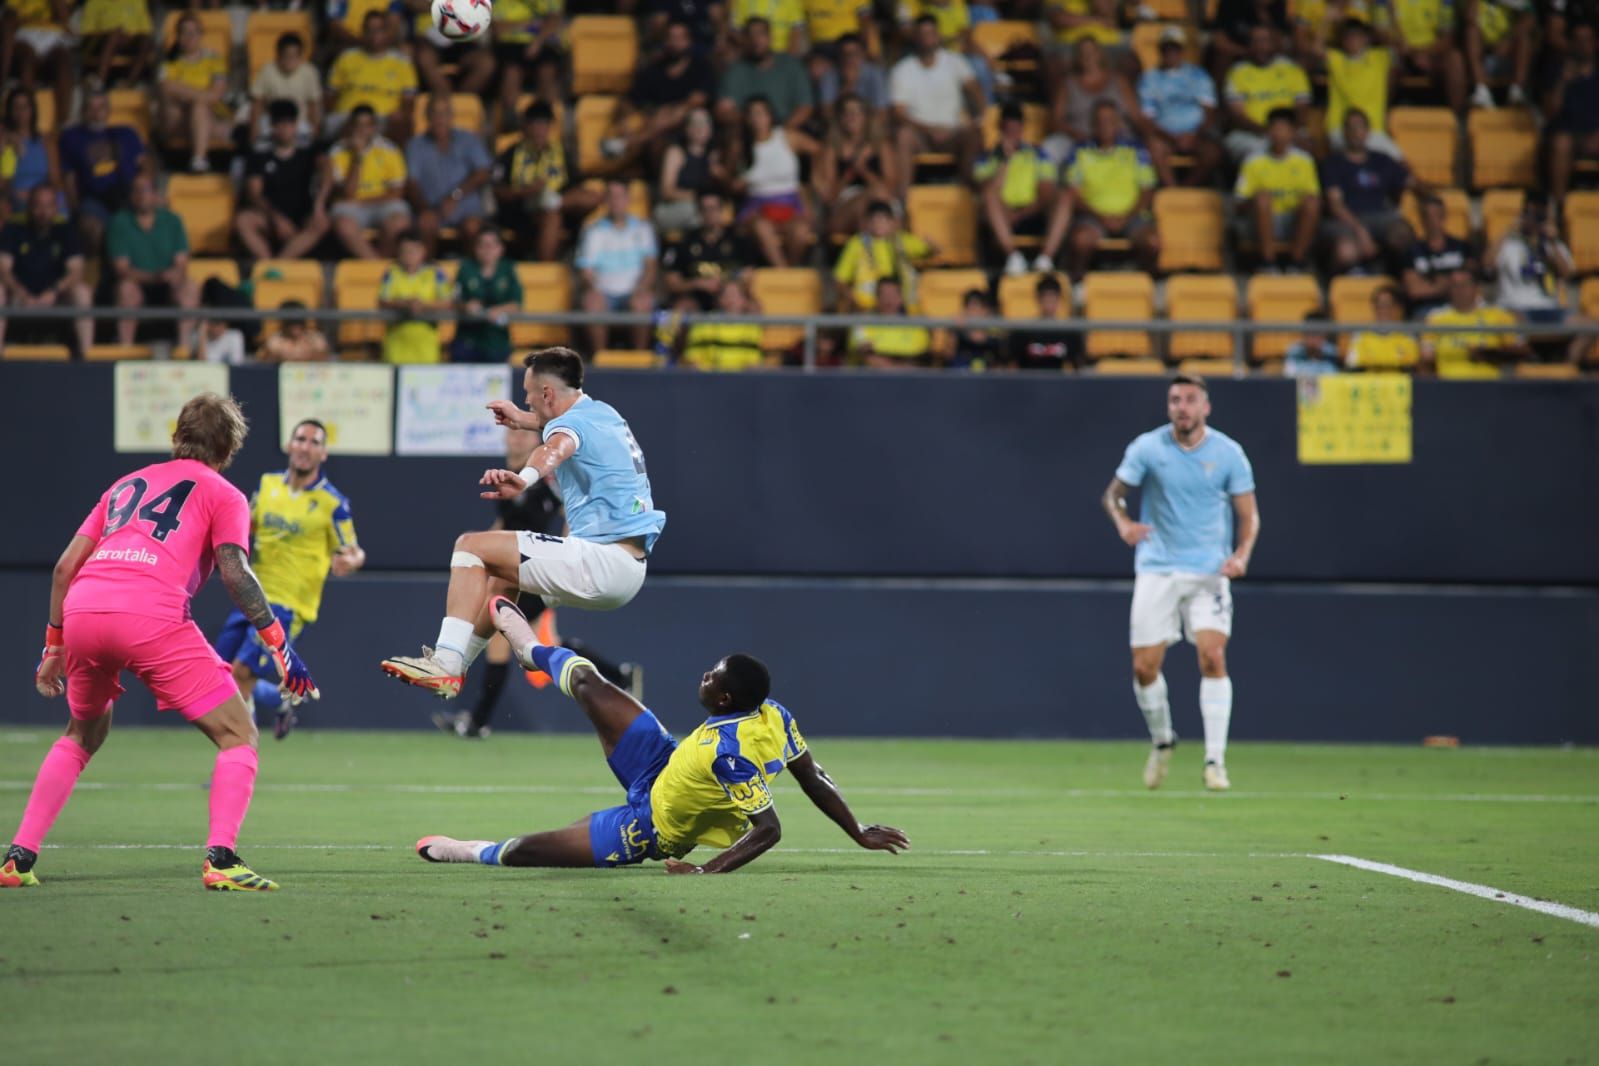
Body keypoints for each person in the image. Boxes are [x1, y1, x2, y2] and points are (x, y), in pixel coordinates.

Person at [3, 393, 317, 891]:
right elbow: (235, 572)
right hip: (151, 615)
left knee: (80, 737)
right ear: (229, 447)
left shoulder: (125, 484)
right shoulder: (225, 493)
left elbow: (65, 567)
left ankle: (17, 860)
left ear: (177, 436)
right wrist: (277, 640)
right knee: (238, 735)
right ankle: (222, 859)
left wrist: (54, 648)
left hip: (83, 610)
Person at [415, 624, 909, 875]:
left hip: (649, 828)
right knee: (588, 682)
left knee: (527, 851)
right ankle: (528, 647)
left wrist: (705, 871)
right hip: (661, 760)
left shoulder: (731, 753)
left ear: (724, 699)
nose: (704, 674)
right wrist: (857, 829)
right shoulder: (773, 713)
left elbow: (769, 829)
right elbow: (812, 775)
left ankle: (470, 851)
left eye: (711, 675)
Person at [381, 347, 667, 698]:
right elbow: (559, 427)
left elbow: (556, 446)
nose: (527, 402)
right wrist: (523, 418)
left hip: (600, 560)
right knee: (501, 575)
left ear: (547, 393)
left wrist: (525, 476)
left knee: (469, 547)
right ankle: (453, 668)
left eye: (529, 396)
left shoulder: (567, 428)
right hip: (629, 568)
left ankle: (446, 663)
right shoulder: (602, 413)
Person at [1101, 375, 1260, 793]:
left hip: (1209, 571)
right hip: (1158, 568)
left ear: (1205, 407)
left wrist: (1241, 555)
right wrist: (1123, 523)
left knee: (1212, 656)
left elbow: (1249, 515)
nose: (1182, 407)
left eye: (1190, 400)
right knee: (1143, 668)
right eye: (1175, 400)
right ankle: (1163, 739)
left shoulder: (1229, 454)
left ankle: (1215, 761)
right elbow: (1113, 495)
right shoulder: (1148, 447)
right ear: (1168, 406)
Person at [436, 426, 642, 739]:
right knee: (538, 644)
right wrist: (478, 559)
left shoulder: (545, 478)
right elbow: (504, 525)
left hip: (539, 567)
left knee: (500, 636)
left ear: (536, 441)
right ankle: (617, 674)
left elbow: (572, 511)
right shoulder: (507, 478)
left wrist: (566, 553)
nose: (516, 439)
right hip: (516, 570)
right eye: (512, 434)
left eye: (523, 435)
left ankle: (477, 719)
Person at [211, 418, 362, 741]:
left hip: (288, 605)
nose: (306, 447)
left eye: (314, 442)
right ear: (289, 445)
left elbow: (353, 549)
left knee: (241, 674)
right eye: (301, 439)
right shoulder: (268, 485)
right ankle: (282, 699)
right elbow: (246, 526)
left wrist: (350, 560)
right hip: (249, 595)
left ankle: (238, 755)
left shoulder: (333, 504)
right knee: (220, 675)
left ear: (323, 454)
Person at [1037, 100, 1160, 280]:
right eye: (1100, 120)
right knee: (1080, 241)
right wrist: (1100, 216)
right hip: (1093, 217)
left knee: (1153, 242)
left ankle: (1152, 285)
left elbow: (1147, 190)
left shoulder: (1136, 150)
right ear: (1092, 124)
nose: (1105, 125)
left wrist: (1126, 216)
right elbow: (1073, 193)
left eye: (1110, 120)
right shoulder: (1079, 151)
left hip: (1132, 216)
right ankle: (1077, 285)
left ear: (1118, 123)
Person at [493, 100, 596, 262]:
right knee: (552, 217)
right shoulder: (511, 153)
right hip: (523, 211)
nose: (540, 130)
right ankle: (545, 267)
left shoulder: (562, 152)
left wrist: (558, 200)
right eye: (535, 124)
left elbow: (577, 186)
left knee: (592, 196)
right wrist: (527, 191)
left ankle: (554, 202)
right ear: (526, 127)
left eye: (544, 124)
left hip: (560, 204)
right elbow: (498, 191)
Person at [890, 15, 982, 196]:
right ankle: (902, 200)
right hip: (920, 135)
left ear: (938, 36)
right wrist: (930, 129)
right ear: (915, 37)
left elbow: (975, 91)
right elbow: (899, 113)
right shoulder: (902, 69)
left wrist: (979, 118)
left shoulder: (955, 61)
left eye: (931, 33)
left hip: (953, 134)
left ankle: (968, 197)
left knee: (973, 134)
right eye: (922, 34)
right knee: (903, 135)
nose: (927, 38)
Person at [107, 173, 200, 351]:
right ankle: (125, 349)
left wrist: (172, 275)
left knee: (190, 287)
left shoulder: (173, 221)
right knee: (125, 289)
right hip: (138, 286)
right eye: (136, 191)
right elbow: (122, 269)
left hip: (167, 288)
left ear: (156, 194)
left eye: (146, 190)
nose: (141, 195)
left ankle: (184, 349)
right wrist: (153, 277)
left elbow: (181, 264)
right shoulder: (119, 222)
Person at [0, 183, 93, 356]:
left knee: (82, 292)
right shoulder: (13, 230)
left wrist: (53, 292)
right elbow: (3, 270)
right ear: (30, 206)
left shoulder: (66, 231)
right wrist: (21, 293)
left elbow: (76, 271)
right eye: (38, 205)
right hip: (19, 298)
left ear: (56, 208)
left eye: (48, 206)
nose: (43, 212)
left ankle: (87, 357)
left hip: (56, 299)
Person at [1320, 109, 1414, 275]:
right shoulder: (1333, 163)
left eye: (1360, 127)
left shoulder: (1382, 160)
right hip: (1345, 220)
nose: (1356, 132)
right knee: (1346, 251)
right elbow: (1335, 205)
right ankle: (1345, 283)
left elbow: (1410, 182)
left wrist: (1430, 194)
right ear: (1344, 132)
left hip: (1379, 217)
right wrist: (1360, 230)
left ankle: (1398, 278)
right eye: (1351, 127)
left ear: (1368, 131)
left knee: (1402, 234)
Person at [732, 96, 818, 268]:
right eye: (753, 114)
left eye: (762, 113)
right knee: (762, 228)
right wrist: (736, 184)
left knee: (801, 231)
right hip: (757, 206)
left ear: (770, 116)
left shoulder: (787, 137)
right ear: (747, 119)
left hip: (790, 202)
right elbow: (731, 181)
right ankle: (783, 273)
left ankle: (789, 270)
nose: (758, 119)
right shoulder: (740, 145)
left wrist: (809, 182)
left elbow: (819, 150)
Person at [617, 19, 717, 167]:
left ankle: (639, 140)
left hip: (692, 124)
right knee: (656, 139)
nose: (675, 43)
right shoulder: (653, 69)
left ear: (689, 41)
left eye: (680, 38)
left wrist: (665, 116)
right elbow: (630, 101)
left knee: (679, 114)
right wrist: (626, 123)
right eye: (671, 38)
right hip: (657, 127)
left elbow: (696, 101)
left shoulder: (701, 67)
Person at [236, 101, 328, 261]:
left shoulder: (309, 150)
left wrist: (319, 204)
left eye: (288, 123)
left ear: (296, 125)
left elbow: (328, 171)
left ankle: (279, 264)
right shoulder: (259, 154)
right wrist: (276, 218)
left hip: (302, 215)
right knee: (243, 221)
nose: (284, 129)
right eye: (279, 124)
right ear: (272, 126)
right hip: (270, 216)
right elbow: (254, 193)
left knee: (322, 222)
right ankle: (266, 262)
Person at [57, 88, 147, 253]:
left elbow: (145, 165)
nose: (96, 113)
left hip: (128, 195)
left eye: (101, 107)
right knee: (91, 228)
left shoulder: (126, 133)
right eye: (90, 107)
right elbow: (68, 176)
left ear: (109, 111)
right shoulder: (71, 138)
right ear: (82, 111)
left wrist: (147, 193)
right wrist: (75, 209)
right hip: (94, 199)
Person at [575, 180, 659, 353]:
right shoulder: (593, 230)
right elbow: (586, 270)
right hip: (604, 292)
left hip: (634, 290)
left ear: (628, 200)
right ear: (605, 201)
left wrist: (642, 288)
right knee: (592, 302)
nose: (615, 201)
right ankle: (601, 358)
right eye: (611, 197)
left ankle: (640, 356)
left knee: (641, 302)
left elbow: (650, 267)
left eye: (619, 196)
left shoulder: (643, 228)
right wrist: (593, 288)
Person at [975, 102, 1059, 276]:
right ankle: (1013, 256)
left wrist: (1021, 214)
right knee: (989, 197)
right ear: (1000, 129)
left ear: (1022, 129)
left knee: (1059, 197)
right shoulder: (987, 159)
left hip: (1032, 214)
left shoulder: (1039, 155)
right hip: (1002, 219)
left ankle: (1045, 259)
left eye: (1016, 130)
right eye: (1008, 130)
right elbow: (987, 191)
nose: (1013, 135)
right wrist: (1005, 161)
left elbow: (1045, 192)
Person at [406, 94, 493, 257]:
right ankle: (427, 274)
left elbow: (483, 172)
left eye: (444, 113)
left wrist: (455, 196)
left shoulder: (468, 140)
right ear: (427, 117)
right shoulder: (415, 145)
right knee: (425, 223)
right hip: (431, 207)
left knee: (473, 227)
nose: (440, 119)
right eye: (435, 113)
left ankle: (470, 275)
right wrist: (425, 209)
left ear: (452, 117)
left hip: (465, 208)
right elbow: (412, 183)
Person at [1234, 107, 1321, 271]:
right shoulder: (1253, 160)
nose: (1278, 133)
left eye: (1283, 129)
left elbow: (1313, 196)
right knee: (1262, 198)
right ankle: (1268, 262)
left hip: (1291, 221)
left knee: (1312, 202)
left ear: (1293, 132)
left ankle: (1297, 262)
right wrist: (1259, 202)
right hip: (1261, 221)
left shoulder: (1304, 161)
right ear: (1268, 132)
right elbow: (1239, 204)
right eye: (1274, 128)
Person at [323, 105, 413, 260]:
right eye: (358, 125)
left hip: (380, 202)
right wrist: (358, 156)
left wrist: (364, 201)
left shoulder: (389, 149)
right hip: (350, 206)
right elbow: (348, 193)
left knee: (399, 222)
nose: (362, 130)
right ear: (351, 126)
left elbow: (397, 192)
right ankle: (377, 267)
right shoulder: (338, 151)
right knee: (344, 226)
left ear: (374, 127)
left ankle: (381, 262)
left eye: (367, 125)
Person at [1138, 27, 1223, 189]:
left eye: (1175, 49)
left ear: (1182, 51)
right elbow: (1147, 117)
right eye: (1167, 49)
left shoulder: (1199, 75)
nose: (1171, 53)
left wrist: (1193, 135)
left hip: (1196, 135)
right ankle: (1172, 188)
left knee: (1213, 152)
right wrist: (1171, 137)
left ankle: (1186, 188)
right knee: (1154, 148)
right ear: (1160, 51)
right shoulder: (1149, 78)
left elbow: (1209, 111)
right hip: (1164, 136)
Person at [1223, 24, 1311, 161]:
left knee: (1308, 147)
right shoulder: (1238, 72)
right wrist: (1270, 133)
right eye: (1256, 41)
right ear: (1249, 45)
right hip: (1251, 135)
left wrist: (1286, 133)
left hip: (1289, 133)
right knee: (1257, 153)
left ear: (1274, 43)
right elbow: (1238, 116)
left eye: (1265, 41)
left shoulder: (1292, 69)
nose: (1261, 46)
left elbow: (1302, 109)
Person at [326, 11, 419, 141]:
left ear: (386, 32)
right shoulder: (346, 57)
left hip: (383, 118)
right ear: (363, 31)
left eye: (379, 29)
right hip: (347, 117)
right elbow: (330, 95)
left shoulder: (402, 62)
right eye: (369, 29)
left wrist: (401, 114)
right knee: (347, 125)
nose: (374, 34)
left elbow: (409, 102)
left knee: (401, 123)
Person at [812, 93, 896, 238]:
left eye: (858, 112)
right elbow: (830, 196)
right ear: (840, 118)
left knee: (879, 196)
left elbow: (890, 188)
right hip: (845, 206)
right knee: (866, 204)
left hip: (881, 203)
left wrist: (864, 171)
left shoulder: (881, 146)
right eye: (847, 112)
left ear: (866, 117)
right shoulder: (832, 149)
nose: (852, 117)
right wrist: (849, 173)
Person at [1044, 37, 1138, 166]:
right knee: (1051, 147)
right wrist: (1077, 135)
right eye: (1083, 53)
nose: (1088, 56)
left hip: (1117, 138)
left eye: (1092, 52)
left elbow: (1137, 116)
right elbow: (1056, 120)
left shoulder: (1119, 81)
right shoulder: (1067, 85)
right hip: (1078, 137)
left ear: (1100, 54)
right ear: (1077, 58)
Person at [157, 12, 228, 174]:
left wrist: (184, 92)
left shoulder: (215, 59)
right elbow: (166, 89)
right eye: (184, 32)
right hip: (177, 120)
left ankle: (199, 159)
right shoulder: (169, 64)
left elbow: (217, 93)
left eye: (193, 32)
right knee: (193, 102)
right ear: (178, 36)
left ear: (200, 34)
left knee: (199, 107)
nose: (188, 37)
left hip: (208, 118)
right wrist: (203, 95)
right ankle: (199, 158)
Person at [832, 199, 934, 311]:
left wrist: (932, 244)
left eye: (883, 220)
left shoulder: (902, 241)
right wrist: (853, 301)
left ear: (892, 222)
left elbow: (930, 250)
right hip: (867, 312)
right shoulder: (857, 244)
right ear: (867, 223)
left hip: (905, 312)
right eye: (874, 221)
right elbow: (840, 280)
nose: (878, 225)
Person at [1422, 270, 1529, 377]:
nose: (1459, 290)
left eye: (1464, 285)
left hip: (1489, 384)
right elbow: (1426, 358)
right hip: (1448, 384)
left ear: (1477, 288)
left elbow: (1521, 351)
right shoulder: (1435, 318)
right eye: (1454, 285)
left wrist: (1489, 353)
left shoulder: (1499, 315)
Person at [662, 189, 757, 309]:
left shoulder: (739, 240)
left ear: (722, 210)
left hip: (731, 296)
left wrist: (727, 288)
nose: (709, 213)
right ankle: (663, 329)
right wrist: (697, 284)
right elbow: (672, 284)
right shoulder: (685, 242)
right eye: (704, 209)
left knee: (754, 307)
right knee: (676, 310)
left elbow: (749, 276)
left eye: (713, 208)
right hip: (696, 299)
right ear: (699, 212)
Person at [718, 17, 815, 130]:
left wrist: (780, 135)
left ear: (770, 37)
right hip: (749, 132)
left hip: (787, 130)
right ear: (744, 39)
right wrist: (755, 124)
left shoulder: (790, 65)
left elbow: (805, 107)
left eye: (761, 34)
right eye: (751, 35)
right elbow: (723, 111)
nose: (756, 40)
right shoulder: (735, 70)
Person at [489, 0, 565, 133]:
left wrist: (537, 42)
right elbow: (498, 29)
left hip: (544, 44)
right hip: (511, 45)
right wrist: (528, 23)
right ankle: (510, 121)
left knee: (547, 71)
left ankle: (546, 121)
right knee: (512, 71)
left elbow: (555, 20)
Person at [1544, 21, 1599, 205]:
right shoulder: (1557, 71)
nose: (1582, 45)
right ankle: (1558, 206)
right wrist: (1563, 82)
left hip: (1595, 133)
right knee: (1561, 144)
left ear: (1594, 43)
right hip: (1568, 133)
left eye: (1587, 40)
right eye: (1578, 40)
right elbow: (1550, 112)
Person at [378, 229, 451, 363]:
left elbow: (448, 302)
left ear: (423, 251)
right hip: (396, 349)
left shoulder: (435, 273)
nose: (409, 255)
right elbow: (382, 301)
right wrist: (405, 304)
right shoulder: (391, 272)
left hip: (426, 349)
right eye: (404, 251)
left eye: (413, 250)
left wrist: (423, 305)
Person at [0, 0, 71, 135]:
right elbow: (11, 14)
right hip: (26, 33)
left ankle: (63, 124)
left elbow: (64, 18)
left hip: (52, 35)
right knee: (27, 63)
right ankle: (26, 122)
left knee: (64, 64)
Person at [454, 229, 524, 363]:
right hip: (467, 340)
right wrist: (466, 306)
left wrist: (499, 310)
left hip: (497, 342)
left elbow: (517, 303)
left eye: (491, 245)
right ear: (475, 248)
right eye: (482, 245)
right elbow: (455, 300)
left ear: (500, 249)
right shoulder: (465, 268)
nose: (487, 250)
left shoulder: (508, 269)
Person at [1402, 194, 1475, 318]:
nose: (1431, 221)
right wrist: (1450, 285)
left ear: (1444, 216)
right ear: (1421, 218)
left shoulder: (1462, 247)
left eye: (1436, 215)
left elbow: (1472, 282)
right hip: (1426, 309)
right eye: (1427, 216)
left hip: (1460, 306)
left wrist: (1434, 285)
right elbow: (1414, 290)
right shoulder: (1412, 251)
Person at [1390, 0, 1467, 114]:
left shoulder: (1444, 2)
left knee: (1455, 58)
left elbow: (1448, 37)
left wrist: (1426, 53)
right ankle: (1380, 121)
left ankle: (1458, 119)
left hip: (1433, 55)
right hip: (1402, 54)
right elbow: (1381, 32)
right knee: (1388, 57)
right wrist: (1412, 53)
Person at [247, 32, 323, 145]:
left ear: (300, 56)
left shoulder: (309, 72)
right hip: (272, 123)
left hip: (299, 123)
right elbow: (257, 102)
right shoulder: (267, 70)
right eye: (286, 56)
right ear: (278, 54)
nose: (289, 61)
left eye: (293, 56)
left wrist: (315, 128)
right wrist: (254, 129)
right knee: (259, 145)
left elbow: (313, 104)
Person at [682, 278, 770, 369]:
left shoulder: (751, 327)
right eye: (726, 295)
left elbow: (753, 364)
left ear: (744, 301)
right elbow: (692, 360)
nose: (730, 300)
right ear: (718, 300)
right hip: (707, 379)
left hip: (741, 380)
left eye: (735, 295)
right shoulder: (703, 323)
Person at [1, 87, 61, 216]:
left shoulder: (46, 141)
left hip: (44, 195)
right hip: (16, 195)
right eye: (16, 107)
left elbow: (55, 179)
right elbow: (4, 180)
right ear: (10, 110)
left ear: (32, 109)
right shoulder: (5, 141)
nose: (21, 112)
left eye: (25, 107)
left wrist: (40, 195)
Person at [847, 276, 932, 366]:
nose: (888, 301)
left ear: (901, 298)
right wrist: (896, 370)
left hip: (907, 378)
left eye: (893, 295)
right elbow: (868, 357)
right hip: (869, 378)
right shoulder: (863, 322)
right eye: (884, 295)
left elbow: (919, 360)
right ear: (876, 298)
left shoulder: (915, 324)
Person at [1465, 0, 1533, 109]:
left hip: (1508, 54)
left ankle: (1516, 92)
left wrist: (1509, 40)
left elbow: (1529, 19)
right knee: (1471, 31)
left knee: (1524, 38)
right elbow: (1470, 17)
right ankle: (1481, 91)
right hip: (1480, 55)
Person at [80, 0, 155, 94]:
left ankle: (130, 82)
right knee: (115, 34)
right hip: (102, 43)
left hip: (130, 43)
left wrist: (128, 37)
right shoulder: (94, 2)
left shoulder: (138, 2)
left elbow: (145, 31)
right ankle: (99, 82)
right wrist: (109, 34)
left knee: (146, 41)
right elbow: (87, 35)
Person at [1005, 274, 1076, 370]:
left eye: (1053, 298)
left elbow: (1077, 367)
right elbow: (1013, 364)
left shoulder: (1068, 333)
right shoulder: (1023, 332)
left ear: (1059, 299)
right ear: (1038, 299)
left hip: (1057, 382)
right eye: (1046, 298)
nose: (1049, 303)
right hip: (1029, 381)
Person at [1345, 285, 1420, 370]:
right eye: (1379, 306)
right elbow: (1352, 367)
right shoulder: (1361, 335)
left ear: (1398, 308)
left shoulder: (1407, 336)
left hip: (1398, 382)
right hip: (1368, 382)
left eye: (1388, 306)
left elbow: (1413, 368)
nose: (1384, 311)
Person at [816, 31, 889, 114]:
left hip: (870, 123)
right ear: (838, 56)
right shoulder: (829, 76)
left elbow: (882, 112)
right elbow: (827, 113)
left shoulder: (875, 74)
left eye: (854, 54)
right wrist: (848, 84)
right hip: (839, 124)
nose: (849, 59)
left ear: (863, 55)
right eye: (845, 54)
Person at [259, 302, 332, 362]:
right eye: (290, 322)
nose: (295, 326)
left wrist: (308, 356)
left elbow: (324, 358)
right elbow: (266, 361)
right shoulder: (275, 340)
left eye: (299, 321)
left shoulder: (316, 338)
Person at [1282, 310, 1343, 375]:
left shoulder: (1331, 351)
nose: (1314, 338)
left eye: (1318, 333)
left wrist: (1317, 355)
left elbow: (1332, 376)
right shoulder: (1294, 350)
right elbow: (1289, 376)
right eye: (1310, 333)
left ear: (1325, 335)